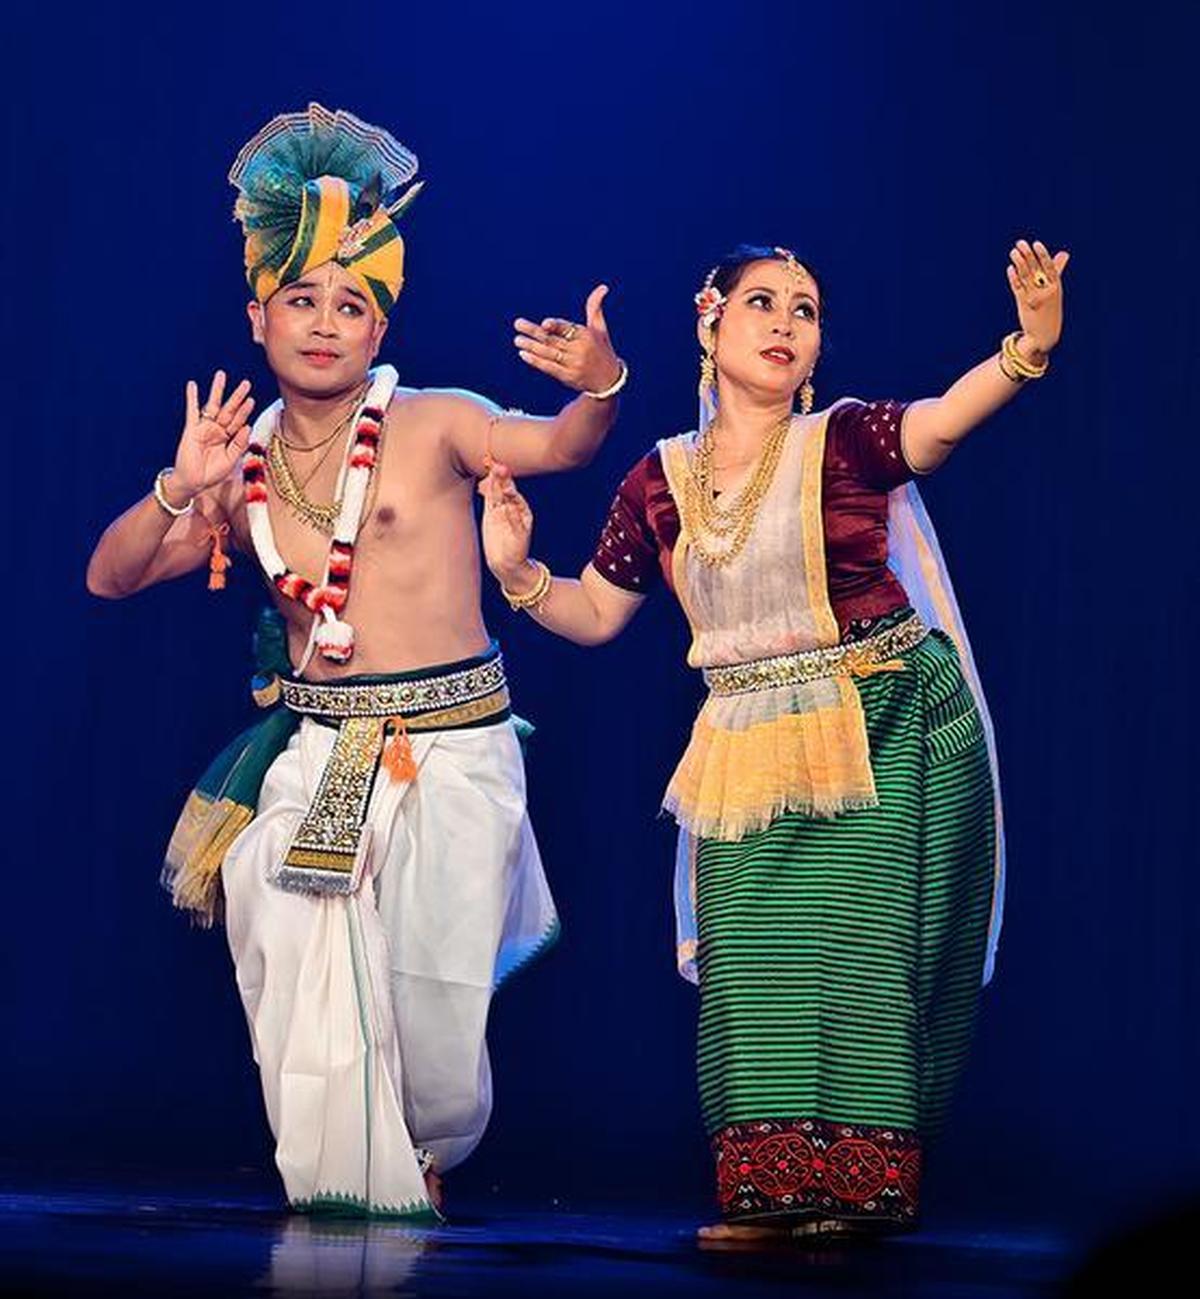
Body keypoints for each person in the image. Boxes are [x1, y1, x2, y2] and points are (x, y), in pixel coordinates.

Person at [86, 103, 627, 1220]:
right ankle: (340, 1182)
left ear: (379, 330)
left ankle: (419, 1148)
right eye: (301, 300)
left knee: (432, 1005)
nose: (325, 324)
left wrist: (602, 384)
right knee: (279, 906)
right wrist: (175, 491)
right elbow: (113, 575)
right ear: (257, 317)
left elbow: (562, 446)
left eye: (350, 304)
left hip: (455, 746)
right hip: (321, 747)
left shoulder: (434, 423)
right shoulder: (240, 472)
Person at [479, 239, 1068, 1240]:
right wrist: (519, 572)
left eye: (806, 310)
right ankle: (770, 1189)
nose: (786, 324)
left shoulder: (846, 440)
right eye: (763, 303)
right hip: (747, 741)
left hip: (881, 720)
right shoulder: (658, 481)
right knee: (751, 968)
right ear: (710, 322)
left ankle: (862, 1193)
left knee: (859, 958)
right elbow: (596, 613)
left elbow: (939, 425)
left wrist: (1025, 351)